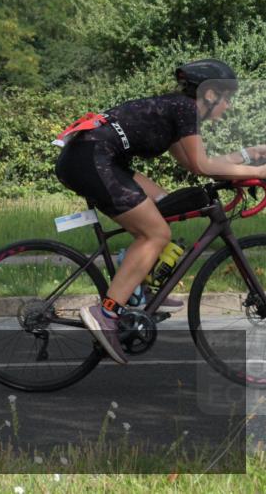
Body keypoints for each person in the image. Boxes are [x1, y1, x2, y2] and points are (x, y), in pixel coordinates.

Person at [54, 59, 266, 364]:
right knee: (156, 232)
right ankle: (106, 312)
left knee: (165, 207)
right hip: (91, 160)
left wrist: (251, 157)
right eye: (227, 98)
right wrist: (259, 171)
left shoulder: (176, 109)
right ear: (209, 95)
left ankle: (136, 285)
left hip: (98, 158)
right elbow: (202, 166)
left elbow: (197, 163)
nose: (228, 106)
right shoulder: (185, 109)